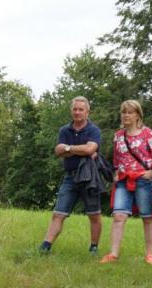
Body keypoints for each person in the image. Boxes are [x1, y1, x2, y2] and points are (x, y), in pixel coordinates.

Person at [99, 100, 152, 265]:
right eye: (124, 112)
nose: (126, 115)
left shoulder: (148, 134)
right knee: (118, 216)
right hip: (123, 180)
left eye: (130, 112)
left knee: (147, 217)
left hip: (143, 180)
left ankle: (149, 254)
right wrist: (116, 172)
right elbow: (117, 157)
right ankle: (113, 254)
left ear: (138, 115)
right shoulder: (118, 136)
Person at [39, 96, 103, 255]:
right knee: (58, 213)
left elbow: (90, 149)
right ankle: (45, 247)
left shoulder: (94, 130)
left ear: (87, 112)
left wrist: (68, 148)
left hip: (90, 177)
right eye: (75, 109)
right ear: (71, 111)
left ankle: (94, 248)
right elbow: (58, 152)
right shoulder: (64, 130)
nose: (77, 112)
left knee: (94, 215)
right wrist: (81, 150)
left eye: (81, 109)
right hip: (70, 177)